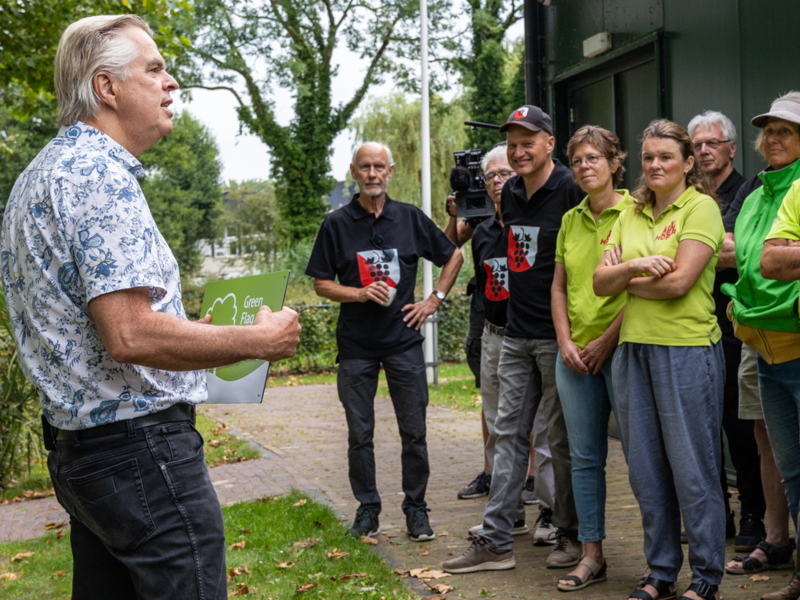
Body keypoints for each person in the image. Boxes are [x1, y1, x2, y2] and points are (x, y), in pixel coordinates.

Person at [0, 15, 301, 600]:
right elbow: (130, 337)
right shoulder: (98, 177)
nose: (172, 83)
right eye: (156, 68)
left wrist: (188, 333)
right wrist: (259, 342)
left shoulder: (41, 174)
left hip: (80, 453)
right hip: (139, 453)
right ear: (107, 87)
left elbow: (94, 330)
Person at [442, 105, 583, 574]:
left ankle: (570, 533)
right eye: (513, 144)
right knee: (506, 437)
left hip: (558, 337)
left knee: (559, 442)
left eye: (528, 142)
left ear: (549, 143)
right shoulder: (515, 193)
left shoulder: (570, 188)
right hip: (516, 336)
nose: (519, 152)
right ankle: (497, 539)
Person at [594, 119, 726, 600]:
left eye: (665, 157)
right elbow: (597, 283)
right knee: (646, 472)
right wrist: (634, 266)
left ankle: (708, 575)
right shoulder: (630, 213)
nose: (654, 165)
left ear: (688, 163)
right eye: (648, 157)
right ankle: (662, 573)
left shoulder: (702, 208)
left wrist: (623, 278)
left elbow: (678, 283)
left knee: (693, 470)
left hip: (687, 351)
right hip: (633, 350)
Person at [306, 141, 463, 543]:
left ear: (390, 171)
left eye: (379, 167)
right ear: (354, 172)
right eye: (365, 167)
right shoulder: (336, 224)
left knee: (414, 432)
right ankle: (368, 509)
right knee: (360, 434)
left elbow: (453, 256)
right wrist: (358, 293)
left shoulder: (409, 218)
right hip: (356, 346)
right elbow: (321, 283)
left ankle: (416, 509)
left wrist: (434, 300)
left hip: (403, 343)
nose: (372, 173)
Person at [449, 144, 556, 542]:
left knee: (543, 430)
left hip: (536, 334)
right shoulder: (481, 230)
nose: (498, 182)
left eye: (506, 174)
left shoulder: (535, 219)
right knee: (500, 428)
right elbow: (445, 253)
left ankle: (549, 512)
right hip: (497, 335)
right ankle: (507, 513)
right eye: (491, 175)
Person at [721, 92, 800, 600]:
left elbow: (771, 263)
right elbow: (740, 259)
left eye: (786, 131)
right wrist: (739, 300)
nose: (773, 138)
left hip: (795, 338)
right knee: (792, 470)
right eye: (769, 130)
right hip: (764, 345)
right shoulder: (755, 195)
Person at [552, 126, 632, 591]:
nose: (585, 166)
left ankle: (656, 557)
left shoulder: (635, 213)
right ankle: (591, 554)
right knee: (584, 459)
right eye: (578, 159)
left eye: (593, 158)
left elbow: (638, 289)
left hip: (621, 351)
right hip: (575, 358)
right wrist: (565, 340)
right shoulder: (570, 220)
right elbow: (559, 286)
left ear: (614, 163)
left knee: (642, 457)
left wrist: (606, 339)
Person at [687, 111, 766, 550]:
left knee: (741, 428)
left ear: (731, 148)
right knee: (701, 428)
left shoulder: (750, 189)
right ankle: (718, 517)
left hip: (736, 327)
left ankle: (754, 515)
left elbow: (736, 254)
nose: (704, 151)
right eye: (698, 144)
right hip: (695, 324)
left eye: (713, 143)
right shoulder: (688, 195)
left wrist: (693, 250)